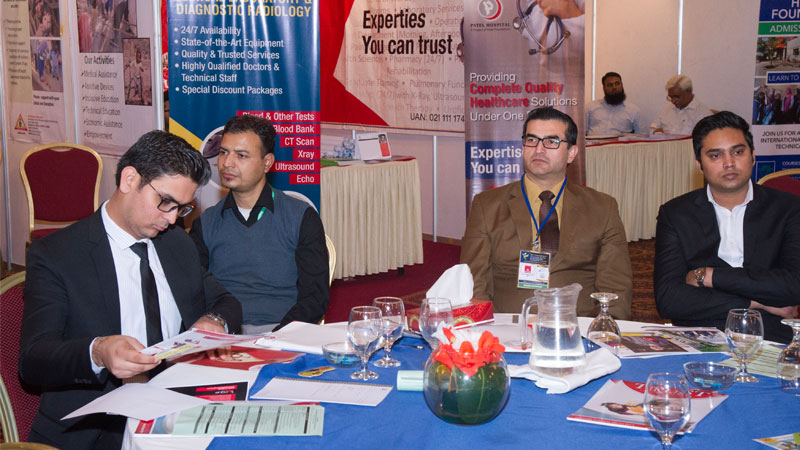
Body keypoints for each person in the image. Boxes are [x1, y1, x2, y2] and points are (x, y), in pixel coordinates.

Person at [19, 130, 243, 449]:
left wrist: (213, 322)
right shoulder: (58, 254)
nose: (171, 219)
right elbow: (33, 359)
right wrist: (98, 352)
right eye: (165, 202)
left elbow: (225, 302)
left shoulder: (175, 244)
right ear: (129, 180)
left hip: (177, 407)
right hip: (98, 425)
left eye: (181, 208)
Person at [460, 107, 632, 319]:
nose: (539, 149)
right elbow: (474, 285)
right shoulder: (487, 206)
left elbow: (615, 289)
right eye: (532, 140)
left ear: (571, 153)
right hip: (510, 326)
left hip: (578, 326)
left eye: (551, 141)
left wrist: (602, 332)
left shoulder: (602, 208)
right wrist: (484, 332)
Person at [654, 111, 800, 344]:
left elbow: (793, 286)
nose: (729, 163)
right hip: (699, 333)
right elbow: (669, 299)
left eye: (738, 152)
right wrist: (756, 302)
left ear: (753, 155)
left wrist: (709, 276)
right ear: (699, 165)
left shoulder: (789, 208)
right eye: (715, 155)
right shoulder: (675, 213)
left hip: (771, 333)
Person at [189, 115, 329, 334]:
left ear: (267, 163)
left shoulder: (300, 217)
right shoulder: (206, 223)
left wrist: (278, 337)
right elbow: (193, 290)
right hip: (224, 332)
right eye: (224, 152)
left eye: (241, 155)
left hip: (282, 331)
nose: (227, 163)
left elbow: (315, 297)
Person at [585, 72, 644, 136]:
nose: (614, 87)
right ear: (604, 88)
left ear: (622, 85)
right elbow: (581, 133)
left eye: (617, 84)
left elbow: (641, 136)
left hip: (619, 142)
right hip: (593, 142)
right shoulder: (590, 107)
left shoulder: (634, 111)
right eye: (610, 85)